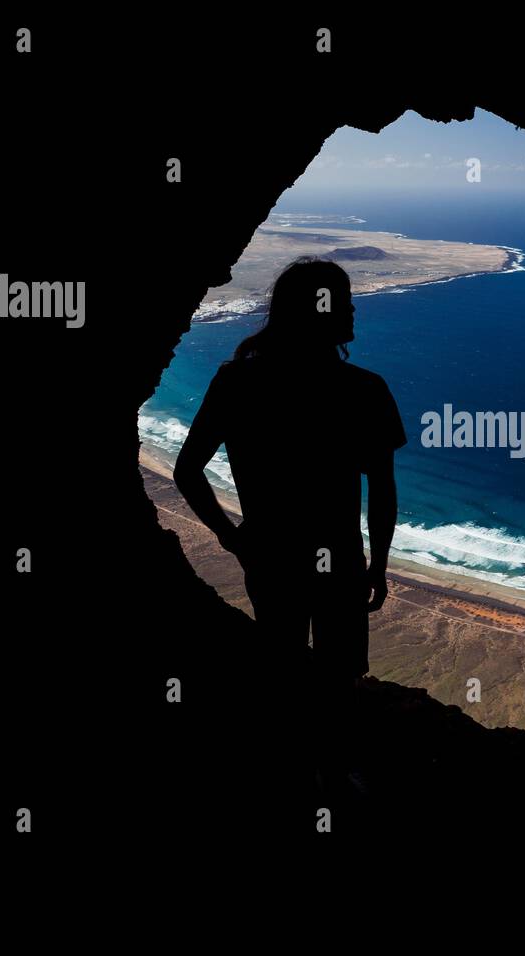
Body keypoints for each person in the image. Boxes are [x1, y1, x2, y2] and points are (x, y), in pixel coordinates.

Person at [173, 256, 407, 777]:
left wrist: (232, 537)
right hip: (340, 559)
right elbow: (382, 491)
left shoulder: (237, 381)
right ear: (318, 311)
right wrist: (379, 565)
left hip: (268, 554)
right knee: (338, 677)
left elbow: (187, 471)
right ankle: (333, 777)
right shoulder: (364, 390)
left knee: (279, 668)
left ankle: (284, 772)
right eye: (343, 303)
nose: (352, 313)